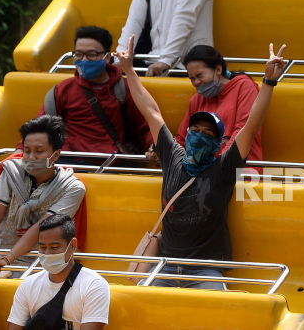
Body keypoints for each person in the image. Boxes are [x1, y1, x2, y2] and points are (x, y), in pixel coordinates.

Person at [115, 35, 286, 289]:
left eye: (208, 134)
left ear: (218, 144)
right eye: (195, 130)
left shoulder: (223, 169)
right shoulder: (174, 158)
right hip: (165, 267)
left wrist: (269, 81)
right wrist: (128, 70)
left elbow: (250, 126)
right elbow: (150, 111)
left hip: (205, 272)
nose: (199, 136)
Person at [0, 116, 86, 277]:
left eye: (39, 151)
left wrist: (7, 260)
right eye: (27, 151)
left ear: (55, 154)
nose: (31, 157)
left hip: (36, 261)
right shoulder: (11, 171)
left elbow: (42, 226)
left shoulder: (72, 187)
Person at [37, 26, 153, 156]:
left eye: (92, 55)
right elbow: (39, 129)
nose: (84, 60)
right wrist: (20, 150)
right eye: (79, 55)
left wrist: (155, 148)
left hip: (111, 163)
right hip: (69, 162)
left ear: (107, 58)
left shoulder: (126, 89)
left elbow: (148, 125)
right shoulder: (62, 90)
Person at [7, 214, 110, 330]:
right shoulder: (28, 285)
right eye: (42, 247)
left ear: (73, 245)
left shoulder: (93, 285)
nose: (47, 254)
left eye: (54, 247)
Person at [174, 45, 263, 162]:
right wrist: (161, 153)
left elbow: (243, 130)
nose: (196, 82)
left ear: (218, 70)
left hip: (242, 171)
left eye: (199, 76)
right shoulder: (196, 100)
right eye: (192, 78)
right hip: (204, 173)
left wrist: (221, 166)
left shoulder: (245, 87)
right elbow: (182, 138)